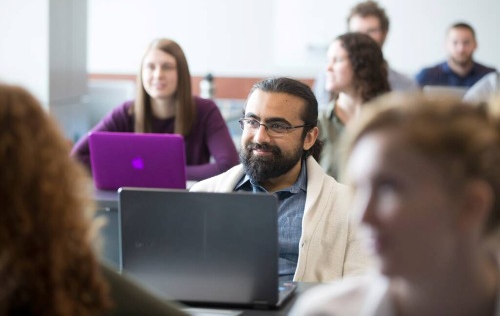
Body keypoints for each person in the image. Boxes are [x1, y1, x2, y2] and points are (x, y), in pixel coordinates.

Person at [289, 94, 500, 316]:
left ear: (470, 206)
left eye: (388, 188)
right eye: (359, 189)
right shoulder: (323, 312)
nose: (362, 216)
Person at [0, 83, 188, 315]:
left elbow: (223, 161)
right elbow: (79, 153)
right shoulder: (90, 286)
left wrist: (173, 169)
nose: (158, 75)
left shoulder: (203, 110)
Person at [190, 77, 371, 283]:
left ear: (309, 138)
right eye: (252, 122)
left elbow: (362, 290)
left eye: (277, 126)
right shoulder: (202, 194)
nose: (260, 137)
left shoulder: (350, 205)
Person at [72, 38, 239, 181]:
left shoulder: (206, 111)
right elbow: (76, 158)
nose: (158, 74)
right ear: (141, 73)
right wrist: (126, 171)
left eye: (167, 67)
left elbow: (228, 166)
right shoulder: (126, 113)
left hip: (189, 204)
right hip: (134, 203)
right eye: (150, 67)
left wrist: (151, 171)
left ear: (181, 73)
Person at [313, 0, 418, 108]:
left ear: (384, 33)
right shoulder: (328, 77)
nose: (363, 38)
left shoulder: (405, 85)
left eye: (371, 31)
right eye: (356, 33)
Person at [318, 32, 391, 179]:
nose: (328, 68)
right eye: (328, 60)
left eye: (337, 60)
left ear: (362, 64)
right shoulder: (317, 122)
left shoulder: (389, 122)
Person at [416, 22, 497, 88]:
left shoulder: (491, 77)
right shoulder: (426, 76)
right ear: (446, 45)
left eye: (466, 42)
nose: (461, 49)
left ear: (475, 45)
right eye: (455, 43)